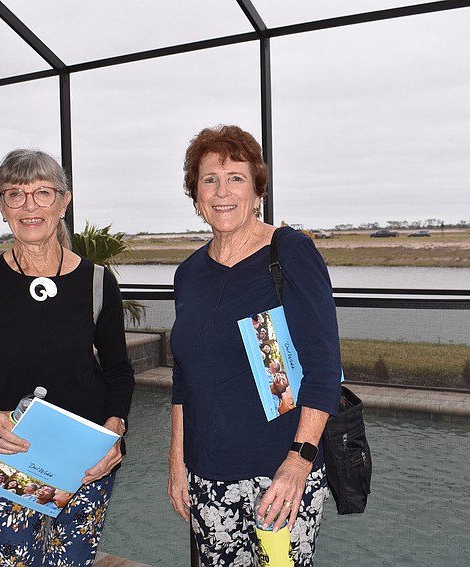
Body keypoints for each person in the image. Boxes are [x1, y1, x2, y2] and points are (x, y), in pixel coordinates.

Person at [167, 125, 342, 566]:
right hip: (208, 476)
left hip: (280, 475)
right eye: (210, 179)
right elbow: (184, 377)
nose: (222, 191)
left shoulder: (290, 252)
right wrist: (177, 461)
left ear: (257, 190)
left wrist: (298, 463)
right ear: (196, 195)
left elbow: (324, 370)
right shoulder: (188, 274)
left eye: (236, 178)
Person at [0, 148, 134, 566]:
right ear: (1, 206)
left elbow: (118, 370)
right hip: (10, 459)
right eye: (15, 194)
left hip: (84, 464)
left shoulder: (97, 282)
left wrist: (115, 429)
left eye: (43, 193)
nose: (29, 205)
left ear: (63, 202)